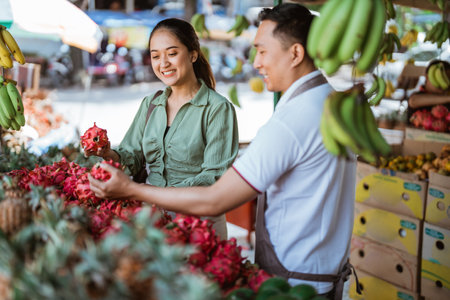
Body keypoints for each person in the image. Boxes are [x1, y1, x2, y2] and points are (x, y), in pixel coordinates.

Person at [89, 4, 357, 299]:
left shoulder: (289, 121)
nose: (256, 63)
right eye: (155, 55)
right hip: (319, 275)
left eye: (263, 51)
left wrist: (131, 190)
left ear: (295, 53)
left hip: (295, 279)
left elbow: (215, 196)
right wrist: (111, 158)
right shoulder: (332, 103)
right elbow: (133, 155)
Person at [85, 18, 239, 239]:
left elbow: (214, 177)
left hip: (199, 227)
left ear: (193, 54)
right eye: (156, 56)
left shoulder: (217, 108)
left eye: (172, 53)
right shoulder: (151, 104)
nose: (163, 63)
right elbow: (133, 156)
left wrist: (149, 193)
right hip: (152, 222)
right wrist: (107, 153)